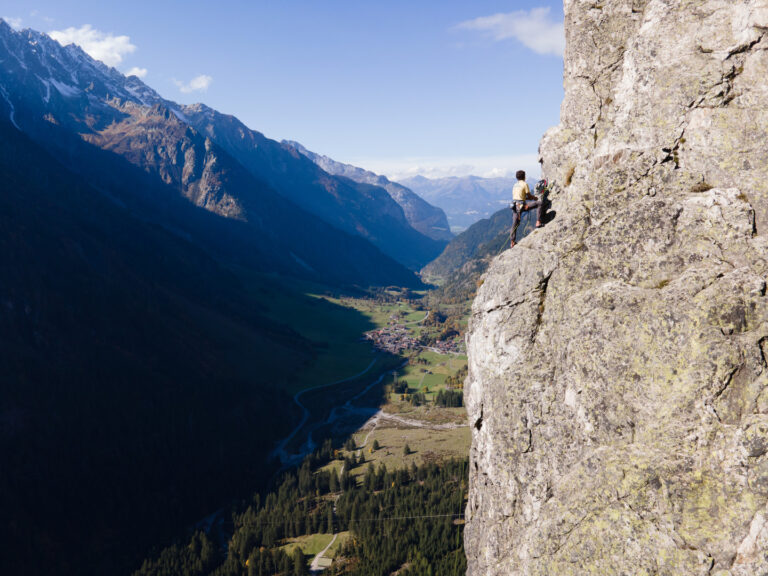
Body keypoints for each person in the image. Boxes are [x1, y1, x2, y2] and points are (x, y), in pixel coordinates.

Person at [509, 170, 546, 247]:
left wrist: (525, 200)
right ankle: (538, 222)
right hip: (521, 205)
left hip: (514, 206)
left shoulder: (515, 185)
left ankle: (512, 242)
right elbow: (528, 196)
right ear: (524, 176)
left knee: (515, 223)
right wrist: (534, 198)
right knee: (539, 203)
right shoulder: (525, 184)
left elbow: (519, 196)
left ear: (517, 177)